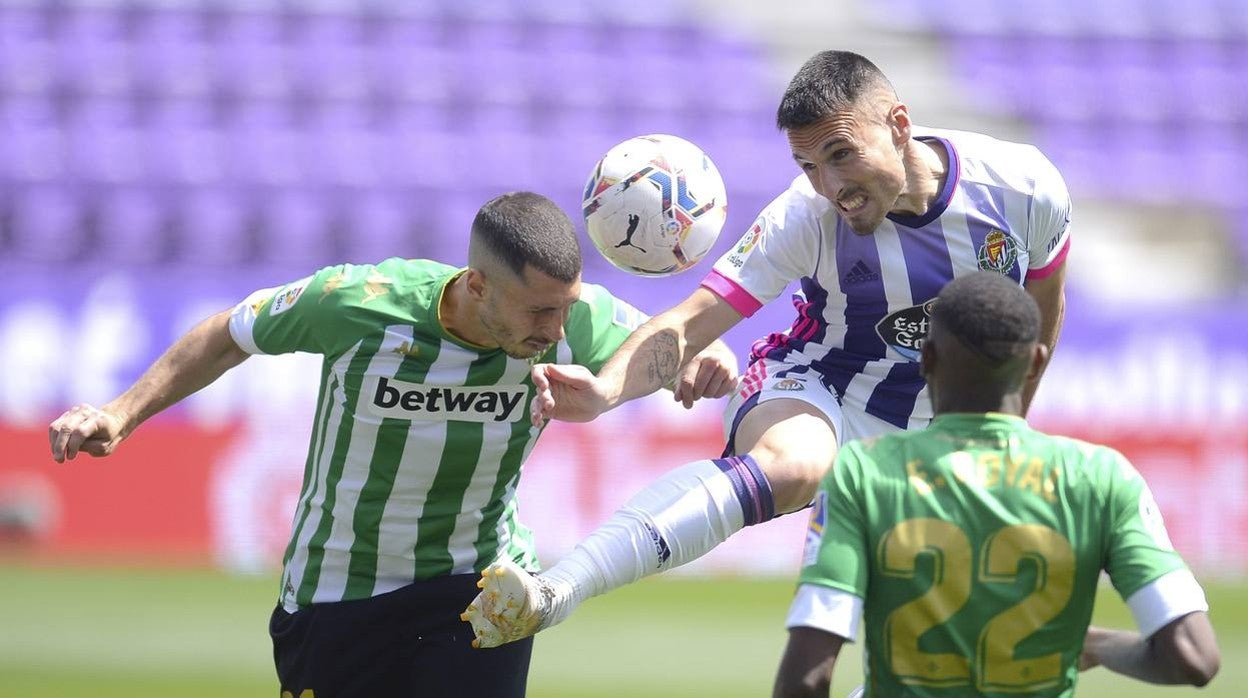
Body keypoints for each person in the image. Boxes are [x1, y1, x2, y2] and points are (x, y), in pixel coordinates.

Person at [462, 50, 1071, 648]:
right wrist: (607, 392)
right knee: (793, 465)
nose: (832, 187)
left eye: (841, 155)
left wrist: (1005, 431)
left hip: (932, 429)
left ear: (900, 125)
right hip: (821, 384)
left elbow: (1039, 320)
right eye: (809, 166)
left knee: (958, 642)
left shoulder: (1022, 187)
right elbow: (692, 321)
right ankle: (555, 592)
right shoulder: (803, 217)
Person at [46, 192, 738, 698]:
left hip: (480, 587)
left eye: (566, 307)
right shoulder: (360, 303)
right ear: (476, 285)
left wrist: (707, 364)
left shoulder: (568, 318)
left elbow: (669, 344)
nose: (557, 328)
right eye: (538, 311)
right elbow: (232, 331)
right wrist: (121, 412)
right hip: (338, 592)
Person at [772, 272, 1220, 697]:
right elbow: (1194, 657)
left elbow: (806, 680)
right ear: (1036, 361)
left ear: (926, 359)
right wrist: (1099, 645)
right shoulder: (1102, 477)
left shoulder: (864, 472)